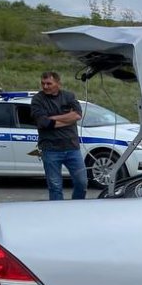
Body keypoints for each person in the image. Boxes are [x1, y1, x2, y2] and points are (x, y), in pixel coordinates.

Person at [30, 71, 87, 201]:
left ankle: (77, 206)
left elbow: (77, 115)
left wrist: (52, 119)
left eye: (49, 83)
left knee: (82, 182)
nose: (45, 87)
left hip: (72, 148)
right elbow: (43, 122)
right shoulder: (38, 99)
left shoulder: (69, 96)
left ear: (58, 84)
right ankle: (58, 212)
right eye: (43, 83)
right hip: (50, 149)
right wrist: (68, 119)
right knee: (55, 186)